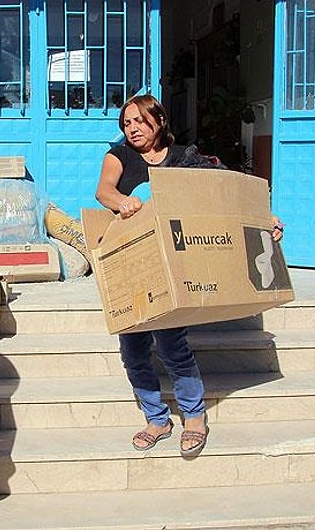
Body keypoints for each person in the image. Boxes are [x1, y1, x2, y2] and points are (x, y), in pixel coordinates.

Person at [95, 94, 283, 458]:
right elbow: (104, 190)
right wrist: (122, 201)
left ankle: (194, 418)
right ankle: (156, 419)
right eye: (126, 123)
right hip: (133, 266)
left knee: (171, 347)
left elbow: (225, 193)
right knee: (133, 350)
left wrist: (263, 217)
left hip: (173, 269)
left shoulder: (186, 159)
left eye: (138, 121)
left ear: (159, 120)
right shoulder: (118, 156)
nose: (131, 129)